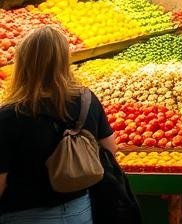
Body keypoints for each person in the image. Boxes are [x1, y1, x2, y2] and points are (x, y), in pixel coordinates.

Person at [0, 26, 118, 224]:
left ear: (22, 63)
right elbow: (109, 151)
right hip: (79, 210)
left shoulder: (9, 115)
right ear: (65, 61)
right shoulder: (87, 100)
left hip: (24, 215)